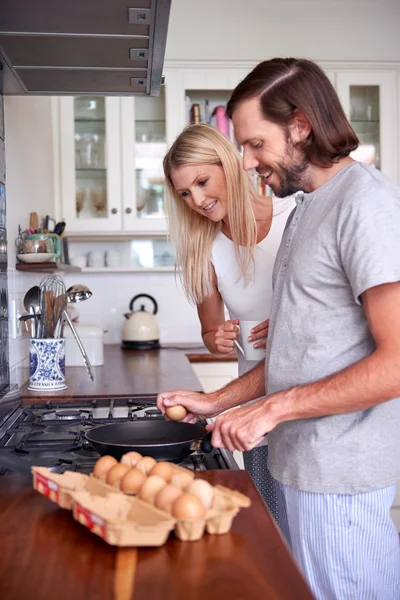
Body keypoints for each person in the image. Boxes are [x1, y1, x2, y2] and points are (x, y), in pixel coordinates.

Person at [158, 58, 400, 600]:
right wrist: (217, 401)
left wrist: (272, 408)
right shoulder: (310, 208)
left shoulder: (367, 205)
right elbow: (294, 355)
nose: (245, 162)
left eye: (253, 144)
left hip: (338, 472)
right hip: (299, 460)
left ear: (299, 126)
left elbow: (398, 363)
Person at [162, 123, 295, 520]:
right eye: (184, 193)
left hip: (309, 394)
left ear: (230, 165)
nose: (197, 199)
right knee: (269, 522)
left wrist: (295, 321)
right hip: (252, 404)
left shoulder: (296, 212)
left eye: (202, 181)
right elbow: (209, 329)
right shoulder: (205, 249)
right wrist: (214, 337)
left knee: (317, 532)